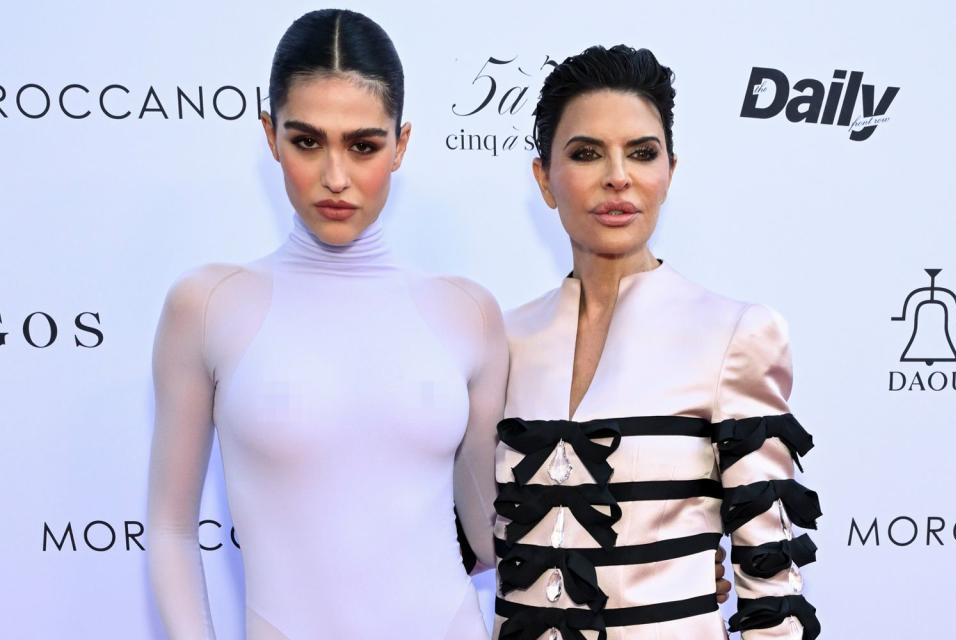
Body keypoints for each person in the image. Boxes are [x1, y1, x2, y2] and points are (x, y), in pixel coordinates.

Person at [146, 10, 505, 639]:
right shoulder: (207, 306)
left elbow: (489, 530)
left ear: (401, 144)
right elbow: (172, 530)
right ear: (269, 136)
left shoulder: (468, 313)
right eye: (307, 141)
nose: (335, 177)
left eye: (363, 145)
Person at [493, 46, 821, 639]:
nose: (618, 175)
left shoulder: (734, 333)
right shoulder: (502, 339)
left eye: (641, 153)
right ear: (544, 179)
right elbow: (464, 537)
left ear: (669, 171)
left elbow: (771, 579)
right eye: (586, 153)